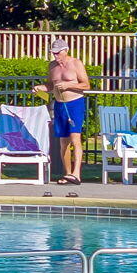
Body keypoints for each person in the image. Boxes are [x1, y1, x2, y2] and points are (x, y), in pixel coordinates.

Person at [35, 39, 90, 185]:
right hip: (59, 105)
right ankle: (68, 174)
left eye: (58, 53)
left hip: (75, 104)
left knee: (75, 138)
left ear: (66, 50)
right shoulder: (52, 66)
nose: (55, 56)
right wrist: (41, 88)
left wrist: (68, 85)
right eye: (53, 53)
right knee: (63, 142)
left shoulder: (75, 63)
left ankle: (76, 173)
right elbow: (51, 86)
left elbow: (86, 84)